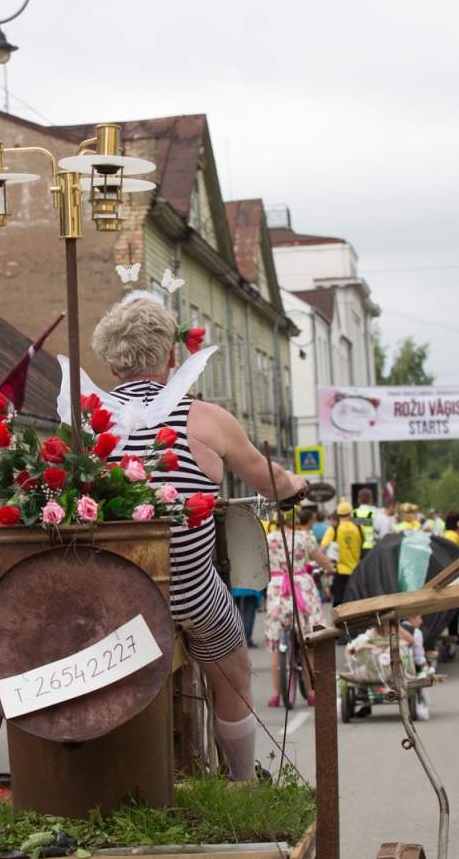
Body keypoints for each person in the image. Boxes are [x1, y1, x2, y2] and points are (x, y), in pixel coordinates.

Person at [91, 293, 307, 781]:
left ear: (110, 364)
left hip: (116, 596)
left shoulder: (87, 422)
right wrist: (295, 486)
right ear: (171, 357)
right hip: (188, 593)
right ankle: (242, 782)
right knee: (233, 673)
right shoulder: (205, 418)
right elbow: (266, 479)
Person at [264, 509, 332, 706]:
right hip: (302, 588)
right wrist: (330, 569)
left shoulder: (268, 539)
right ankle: (311, 692)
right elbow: (322, 559)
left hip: (278, 589)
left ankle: (277, 693)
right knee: (308, 642)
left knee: (277, 644)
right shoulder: (303, 537)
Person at [332, 498, 362, 606]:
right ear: (350, 512)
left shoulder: (334, 529)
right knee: (355, 604)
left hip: (340, 570)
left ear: (338, 514)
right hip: (356, 571)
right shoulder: (359, 528)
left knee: (339, 604)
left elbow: (322, 549)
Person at [352, 488, 376, 556]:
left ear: (358, 500)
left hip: (355, 547)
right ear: (371, 500)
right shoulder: (375, 513)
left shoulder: (352, 514)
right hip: (370, 548)